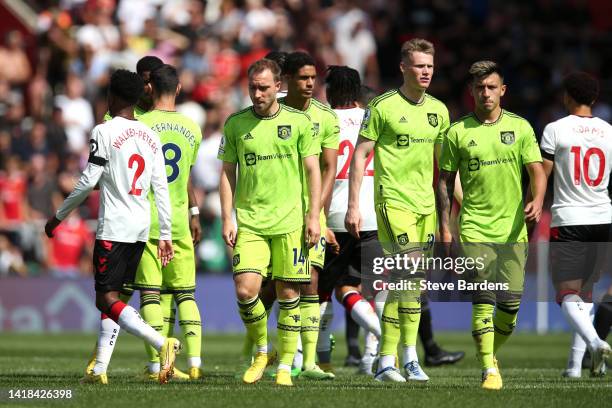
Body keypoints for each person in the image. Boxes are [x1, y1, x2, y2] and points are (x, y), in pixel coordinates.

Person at [44, 69, 180, 385]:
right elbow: (161, 187)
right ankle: (100, 369)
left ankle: (163, 344)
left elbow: (88, 180)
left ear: (113, 97)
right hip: (141, 227)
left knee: (105, 299)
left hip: (114, 226)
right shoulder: (151, 135)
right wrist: (165, 235)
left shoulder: (104, 131)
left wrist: (58, 217)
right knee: (114, 298)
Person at [437, 60, 546, 390]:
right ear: (471, 91)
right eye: (479, 88)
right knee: (483, 296)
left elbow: (537, 171)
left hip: (513, 230)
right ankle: (488, 369)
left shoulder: (521, 128)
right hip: (473, 227)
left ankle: (489, 354)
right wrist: (446, 226)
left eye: (491, 87)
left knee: (510, 308)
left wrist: (538, 199)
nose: (485, 93)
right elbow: (444, 182)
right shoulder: (457, 132)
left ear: (502, 90)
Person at [346, 38, 450, 382]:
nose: (425, 72)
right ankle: (392, 359)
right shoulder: (383, 106)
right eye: (419, 65)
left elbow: (444, 171)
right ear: (404, 67)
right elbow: (360, 156)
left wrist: (448, 216)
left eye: (430, 66)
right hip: (393, 202)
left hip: (426, 208)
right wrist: (353, 206)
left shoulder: (439, 111)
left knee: (414, 285)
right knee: (407, 274)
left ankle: (401, 360)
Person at [218, 58, 322, 387]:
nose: (257, 93)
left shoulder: (299, 122)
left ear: (279, 87)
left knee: (289, 293)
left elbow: (312, 170)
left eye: (264, 87)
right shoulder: (236, 124)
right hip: (250, 223)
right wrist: (227, 217)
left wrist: (312, 215)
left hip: (291, 222)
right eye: (253, 87)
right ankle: (264, 350)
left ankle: (284, 367)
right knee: (246, 290)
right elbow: (227, 173)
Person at [132, 64, 204, 380]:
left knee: (149, 294)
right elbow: (186, 174)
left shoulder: (139, 125)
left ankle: (156, 365)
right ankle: (196, 364)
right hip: (178, 220)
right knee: (185, 295)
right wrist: (193, 211)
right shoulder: (193, 127)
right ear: (178, 89)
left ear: (150, 88)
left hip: (146, 221)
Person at [540, 71, 612, 378]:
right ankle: (572, 368)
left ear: (566, 96)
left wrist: (533, 203)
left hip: (569, 218)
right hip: (602, 217)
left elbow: (542, 173)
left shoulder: (555, 129)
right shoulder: (609, 131)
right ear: (594, 99)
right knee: (586, 293)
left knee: (567, 294)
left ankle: (596, 343)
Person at [316, 66, 382, 376]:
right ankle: (371, 358)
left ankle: (320, 356)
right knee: (373, 290)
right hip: (374, 216)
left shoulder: (322, 120)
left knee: (328, 291)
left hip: (334, 217)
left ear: (331, 90)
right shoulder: (374, 118)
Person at [278, 51, 339, 380]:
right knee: (266, 288)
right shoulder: (272, 113)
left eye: (313, 78)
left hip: (310, 213)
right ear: (286, 79)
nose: (310, 83)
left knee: (311, 281)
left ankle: (309, 359)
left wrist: (317, 211)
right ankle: (261, 350)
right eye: (303, 78)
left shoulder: (326, 117)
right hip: (274, 213)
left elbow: (330, 168)